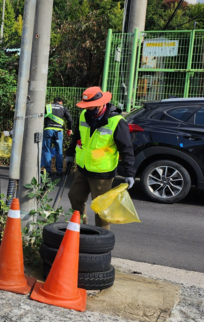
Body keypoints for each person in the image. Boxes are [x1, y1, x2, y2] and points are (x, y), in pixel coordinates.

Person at [65, 87, 135, 230]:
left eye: (91, 107)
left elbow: (126, 148)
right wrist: (70, 154)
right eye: (86, 106)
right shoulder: (84, 115)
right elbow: (76, 137)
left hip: (102, 172)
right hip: (83, 168)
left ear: (101, 103)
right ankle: (79, 229)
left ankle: (102, 239)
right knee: (74, 197)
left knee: (101, 209)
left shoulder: (116, 121)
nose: (88, 109)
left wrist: (129, 173)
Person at [41, 97, 73, 176]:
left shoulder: (47, 106)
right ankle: (59, 171)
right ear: (61, 102)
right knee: (59, 151)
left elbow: (41, 116)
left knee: (46, 150)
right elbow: (69, 119)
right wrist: (70, 129)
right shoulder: (63, 108)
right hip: (59, 131)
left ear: (54, 101)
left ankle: (48, 171)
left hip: (48, 129)